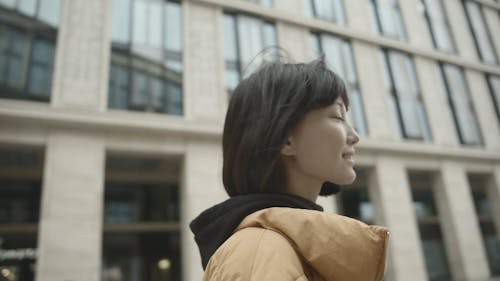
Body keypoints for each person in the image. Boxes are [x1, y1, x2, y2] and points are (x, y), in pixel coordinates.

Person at [190, 58, 389, 281]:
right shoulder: (260, 251)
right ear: (286, 139)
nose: (354, 136)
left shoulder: (286, 245)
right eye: (337, 117)